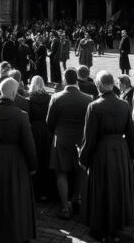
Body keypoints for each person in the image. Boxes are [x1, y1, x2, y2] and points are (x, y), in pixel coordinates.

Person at [79, 71, 134, 242]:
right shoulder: (124, 105)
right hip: (120, 151)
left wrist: (83, 158)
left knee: (102, 188)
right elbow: (131, 133)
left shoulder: (95, 106)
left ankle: (102, 227)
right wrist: (132, 154)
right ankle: (116, 226)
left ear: (98, 85)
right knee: (117, 188)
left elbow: (89, 137)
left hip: (102, 151)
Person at [0, 78, 37, 243]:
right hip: (15, 161)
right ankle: (15, 232)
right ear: (13, 93)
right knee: (15, 198)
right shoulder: (21, 116)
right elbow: (29, 145)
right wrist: (32, 166)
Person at [47, 67, 92, 219]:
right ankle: (76, 198)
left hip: (61, 139)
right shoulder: (87, 98)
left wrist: (57, 131)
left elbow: (49, 122)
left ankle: (65, 207)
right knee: (80, 171)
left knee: (61, 172)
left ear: (65, 79)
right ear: (77, 79)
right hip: (80, 140)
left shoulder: (56, 97)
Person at [26, 75, 53, 201]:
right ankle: (46, 190)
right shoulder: (49, 98)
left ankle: (34, 189)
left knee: (34, 157)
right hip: (46, 130)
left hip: (34, 130)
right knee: (45, 158)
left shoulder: (30, 98)